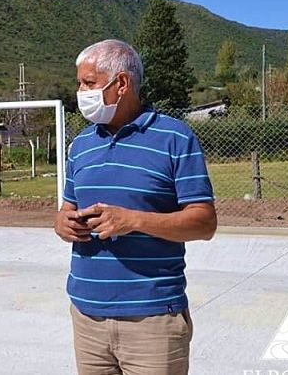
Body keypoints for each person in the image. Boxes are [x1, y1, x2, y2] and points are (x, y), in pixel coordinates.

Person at [55, 39, 217, 375]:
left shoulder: (175, 138)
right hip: (87, 317)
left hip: (152, 321)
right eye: (79, 83)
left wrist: (133, 220)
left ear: (122, 84)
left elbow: (204, 223)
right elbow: (66, 208)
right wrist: (63, 223)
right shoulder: (81, 145)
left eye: (89, 83)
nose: (80, 92)